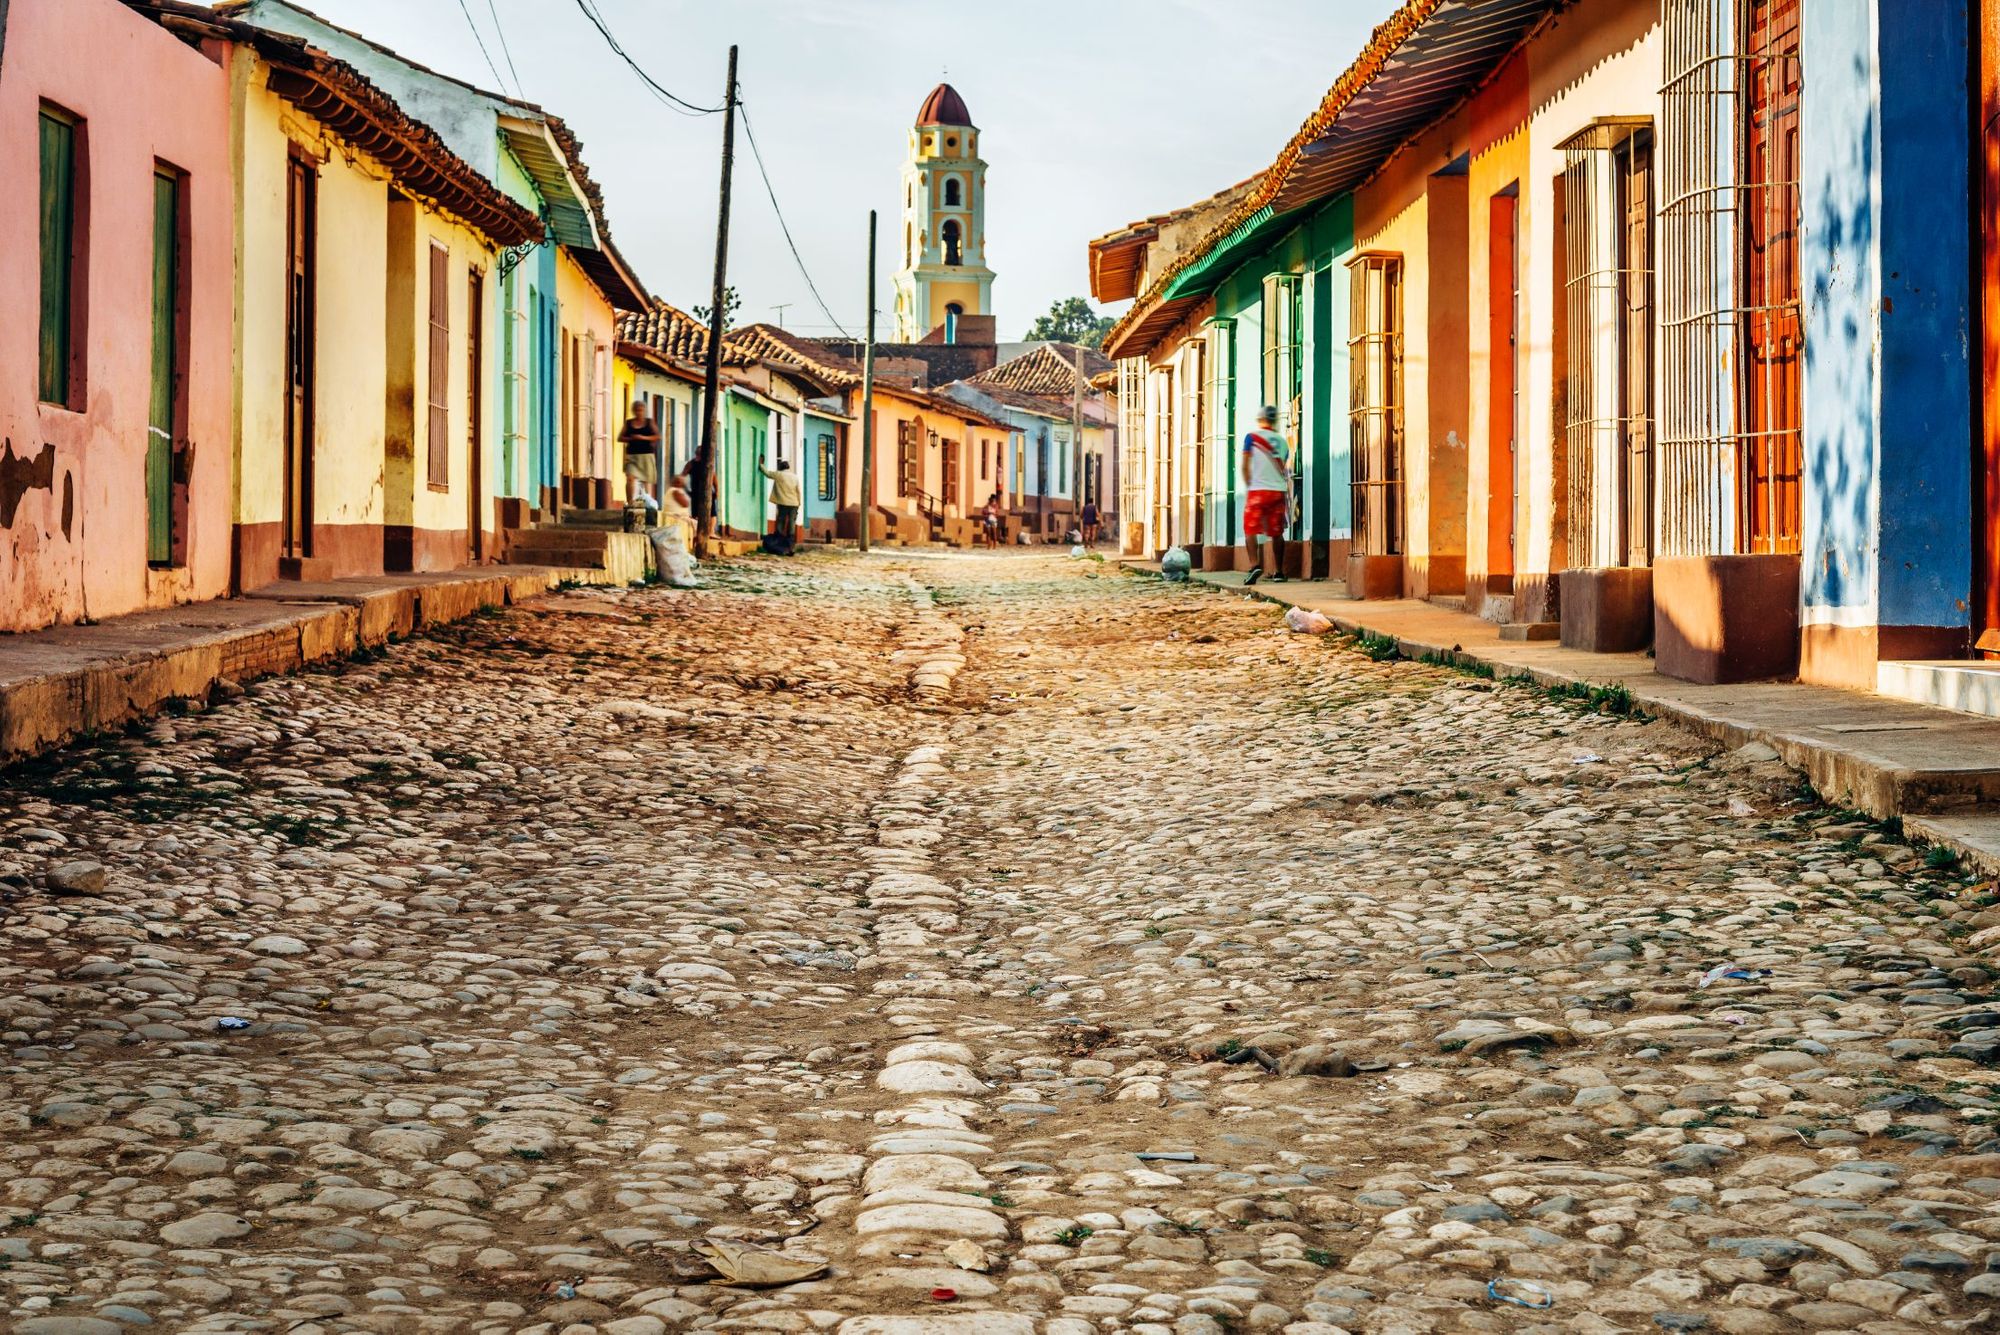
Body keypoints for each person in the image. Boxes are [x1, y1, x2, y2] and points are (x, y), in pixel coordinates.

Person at [1240, 405, 1293, 586]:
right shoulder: (1282, 441)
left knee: (1250, 528)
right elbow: (1283, 464)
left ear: (1260, 419)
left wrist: (1249, 484)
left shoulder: (1251, 438)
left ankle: (1254, 564)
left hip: (1258, 490)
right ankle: (1279, 571)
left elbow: (1245, 465)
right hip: (1278, 490)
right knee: (1276, 532)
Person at [618, 401, 662, 517]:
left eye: (641, 410)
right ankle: (630, 503)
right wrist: (631, 438)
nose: (639, 412)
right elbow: (620, 437)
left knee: (646, 481)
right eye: (637, 410)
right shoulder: (629, 423)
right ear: (634, 411)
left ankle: (648, 505)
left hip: (646, 455)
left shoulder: (649, 422)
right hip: (632, 455)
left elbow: (657, 436)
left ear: (644, 411)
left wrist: (642, 437)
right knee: (630, 478)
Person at [759, 458, 802, 553]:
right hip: (794, 503)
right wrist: (799, 502)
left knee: (781, 520)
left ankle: (778, 539)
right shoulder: (794, 477)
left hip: (783, 502)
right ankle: (790, 543)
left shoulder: (778, 474)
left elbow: (767, 473)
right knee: (791, 522)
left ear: (780, 467)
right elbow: (798, 491)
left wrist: (761, 464)